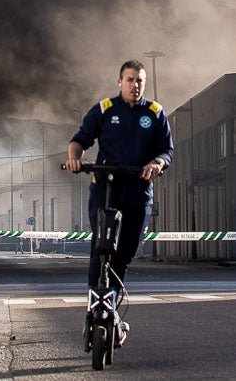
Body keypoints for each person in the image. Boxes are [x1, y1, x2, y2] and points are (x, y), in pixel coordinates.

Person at [65, 60, 174, 342]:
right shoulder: (104, 109)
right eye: (129, 80)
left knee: (123, 255)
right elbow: (79, 140)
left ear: (144, 83)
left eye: (139, 80)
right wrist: (74, 158)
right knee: (100, 250)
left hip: (138, 192)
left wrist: (157, 164)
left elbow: (167, 151)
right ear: (119, 82)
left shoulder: (155, 112)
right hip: (105, 189)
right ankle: (94, 308)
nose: (134, 85)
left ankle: (111, 309)